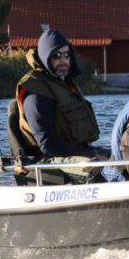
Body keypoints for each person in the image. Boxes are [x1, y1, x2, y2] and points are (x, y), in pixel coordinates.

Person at [14, 29, 106, 182]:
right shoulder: (36, 92)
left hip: (75, 153)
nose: (63, 60)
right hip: (49, 160)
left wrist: (93, 153)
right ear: (45, 57)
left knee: (121, 155)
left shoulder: (66, 86)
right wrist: (89, 155)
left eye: (66, 55)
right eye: (56, 55)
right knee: (92, 165)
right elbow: (48, 145)